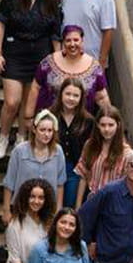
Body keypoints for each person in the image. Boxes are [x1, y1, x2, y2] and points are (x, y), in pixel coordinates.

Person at [0, 0, 61, 159]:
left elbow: (55, 34)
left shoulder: (51, 1)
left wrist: (57, 62)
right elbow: (0, 23)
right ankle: (3, 137)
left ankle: (21, 137)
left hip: (39, 55)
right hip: (14, 52)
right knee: (12, 101)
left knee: (29, 103)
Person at [23, 25, 109, 120]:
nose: (72, 44)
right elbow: (35, 88)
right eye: (68, 40)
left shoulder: (94, 66)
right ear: (63, 43)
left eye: (76, 40)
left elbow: (101, 97)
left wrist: (108, 118)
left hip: (82, 123)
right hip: (50, 122)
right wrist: (28, 116)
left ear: (82, 41)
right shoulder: (48, 63)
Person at [1, 109, 66, 226]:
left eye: (50, 130)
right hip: (22, 207)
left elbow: (60, 183)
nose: (46, 134)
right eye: (42, 130)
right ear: (34, 130)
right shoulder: (19, 151)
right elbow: (9, 182)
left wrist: (58, 209)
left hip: (47, 208)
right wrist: (6, 210)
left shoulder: (58, 151)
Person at [49, 77, 94, 212]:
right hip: (51, 167)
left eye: (75, 95)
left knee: (68, 206)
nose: (71, 98)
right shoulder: (50, 115)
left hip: (74, 170)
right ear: (61, 94)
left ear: (81, 98)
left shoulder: (88, 120)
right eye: (68, 94)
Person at [73, 106, 130, 208]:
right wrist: (78, 206)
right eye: (103, 125)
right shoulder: (90, 145)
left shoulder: (126, 152)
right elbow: (83, 176)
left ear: (118, 125)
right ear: (97, 125)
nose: (106, 129)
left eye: (111, 125)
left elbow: (127, 185)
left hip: (113, 203)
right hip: (92, 200)